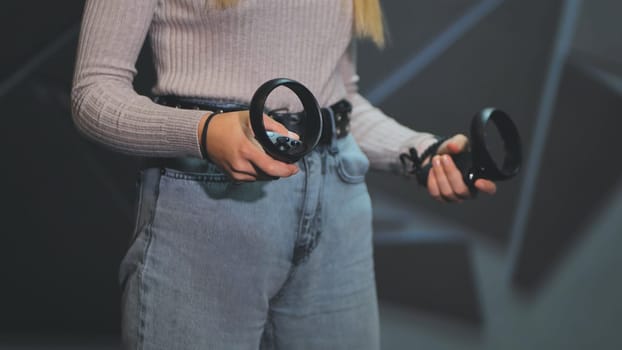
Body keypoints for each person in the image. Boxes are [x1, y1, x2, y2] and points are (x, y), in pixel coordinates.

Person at [71, 0, 496, 349]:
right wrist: (202, 132)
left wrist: (422, 152)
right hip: (207, 212)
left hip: (338, 218)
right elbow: (95, 91)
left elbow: (337, 100)